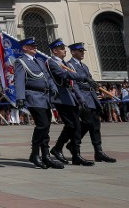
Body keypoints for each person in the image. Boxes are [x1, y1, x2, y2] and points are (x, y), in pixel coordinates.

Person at [14, 37, 63, 169]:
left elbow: (47, 77)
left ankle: (46, 156)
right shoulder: (21, 62)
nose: (35, 48)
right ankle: (35, 153)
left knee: (46, 127)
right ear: (25, 48)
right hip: (33, 96)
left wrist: (53, 87)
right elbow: (18, 80)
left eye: (35, 46)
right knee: (42, 125)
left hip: (45, 97)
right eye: (32, 46)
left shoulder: (40, 61)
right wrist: (20, 97)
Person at [66, 42, 116, 162]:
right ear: (73, 52)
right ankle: (73, 144)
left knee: (95, 126)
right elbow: (74, 85)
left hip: (91, 97)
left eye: (83, 51)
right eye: (80, 51)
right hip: (82, 97)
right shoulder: (70, 66)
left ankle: (98, 151)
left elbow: (90, 82)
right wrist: (81, 100)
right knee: (86, 123)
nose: (82, 53)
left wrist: (95, 90)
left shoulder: (84, 66)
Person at [47, 38, 93, 166]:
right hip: (60, 98)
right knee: (73, 125)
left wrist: (81, 99)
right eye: (62, 49)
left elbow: (73, 85)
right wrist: (83, 77)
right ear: (55, 51)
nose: (64, 51)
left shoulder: (64, 63)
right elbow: (64, 75)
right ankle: (60, 148)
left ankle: (71, 153)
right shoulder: (52, 63)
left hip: (70, 97)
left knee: (76, 126)